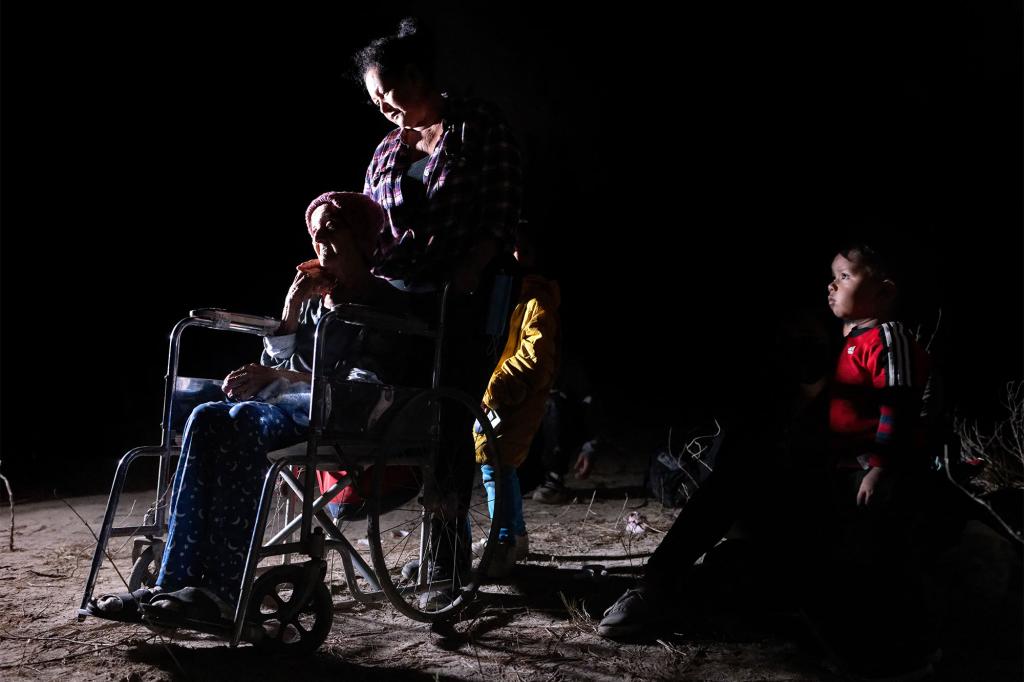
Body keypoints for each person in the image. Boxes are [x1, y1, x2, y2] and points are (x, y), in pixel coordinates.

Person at [598, 240, 936, 680]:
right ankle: (662, 587)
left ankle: (677, 592)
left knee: (784, 555)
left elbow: (899, 407)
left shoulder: (887, 339)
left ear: (885, 292)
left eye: (846, 277)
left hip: (856, 484)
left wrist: (880, 466)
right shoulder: (843, 350)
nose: (832, 286)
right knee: (740, 489)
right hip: (823, 483)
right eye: (833, 277)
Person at [85, 192, 405, 624]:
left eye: (333, 228)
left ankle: (219, 592)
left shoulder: (383, 303)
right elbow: (281, 368)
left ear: (364, 238)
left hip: (342, 415)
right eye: (315, 233)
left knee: (244, 424)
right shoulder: (313, 301)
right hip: (294, 409)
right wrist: (291, 312)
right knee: (207, 415)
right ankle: (169, 584)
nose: (321, 241)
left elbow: (368, 388)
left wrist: (285, 379)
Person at [354, 17, 523, 603]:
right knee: (403, 421)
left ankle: (448, 568)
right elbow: (372, 229)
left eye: (388, 92)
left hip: (462, 297)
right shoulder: (386, 150)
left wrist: (472, 265)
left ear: (418, 76)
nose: (382, 108)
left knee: (449, 424)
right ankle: (429, 551)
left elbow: (502, 211)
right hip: (399, 300)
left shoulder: (477, 125)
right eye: (373, 100)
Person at [473, 221, 560, 576]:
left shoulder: (536, 299)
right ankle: (516, 535)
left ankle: (504, 541)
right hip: (502, 397)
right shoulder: (511, 294)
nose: (511, 255)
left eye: (517, 248)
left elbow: (533, 357)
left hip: (513, 398)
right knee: (499, 464)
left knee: (496, 465)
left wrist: (495, 388)